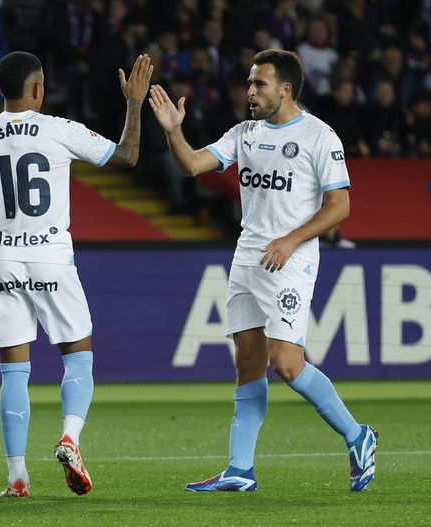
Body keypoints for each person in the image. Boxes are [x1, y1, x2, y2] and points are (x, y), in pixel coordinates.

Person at [147, 49, 377, 492]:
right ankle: (240, 469)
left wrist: (292, 240)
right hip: (247, 257)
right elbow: (193, 165)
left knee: (287, 364)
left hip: (290, 263)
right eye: (250, 84)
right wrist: (175, 133)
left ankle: (357, 435)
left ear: (285, 89)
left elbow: (341, 206)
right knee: (248, 365)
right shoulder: (244, 132)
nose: (250, 92)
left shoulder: (319, 136)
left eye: (259, 84)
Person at [0, 51, 152, 498]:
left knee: (13, 372)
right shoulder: (61, 129)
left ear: (1, 89)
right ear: (38, 88)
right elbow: (128, 156)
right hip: (51, 255)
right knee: (78, 355)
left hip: (0, 260)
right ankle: (70, 437)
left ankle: (17, 478)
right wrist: (133, 103)